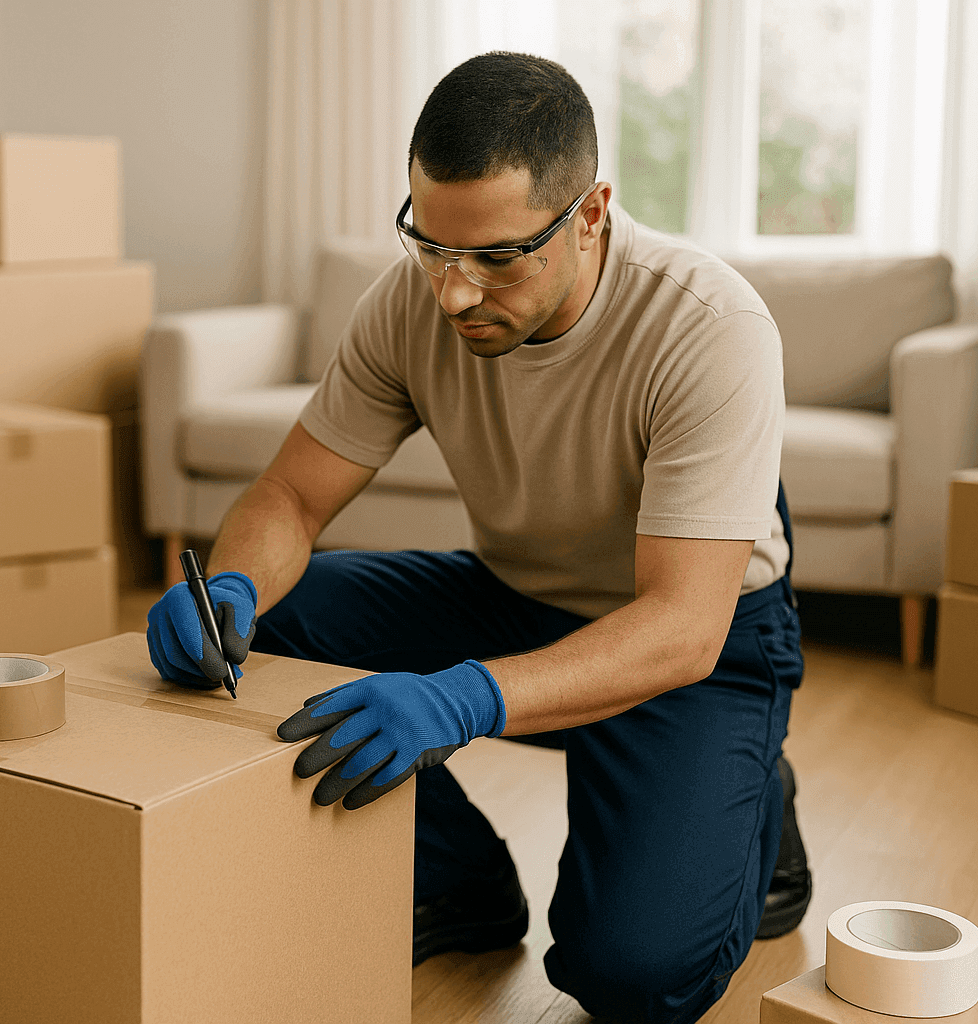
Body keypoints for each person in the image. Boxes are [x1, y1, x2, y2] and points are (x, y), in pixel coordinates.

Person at [146, 50, 810, 1024]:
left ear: (590, 216)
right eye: (430, 244)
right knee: (283, 623)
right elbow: (290, 495)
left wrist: (464, 697)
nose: (454, 293)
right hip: (517, 592)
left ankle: (752, 794)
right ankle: (458, 883)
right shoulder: (412, 303)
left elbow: (683, 624)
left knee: (628, 974)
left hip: (696, 641)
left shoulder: (706, 326)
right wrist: (232, 590)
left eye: (496, 257)